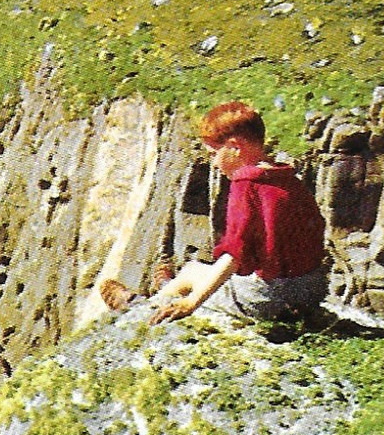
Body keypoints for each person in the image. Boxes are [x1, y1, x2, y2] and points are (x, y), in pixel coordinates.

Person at [101, 101, 328, 325]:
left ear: (234, 147)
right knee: (193, 270)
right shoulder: (286, 178)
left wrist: (191, 304)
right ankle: (165, 287)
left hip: (269, 299)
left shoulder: (246, 183)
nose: (215, 165)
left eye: (213, 154)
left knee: (190, 278)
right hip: (311, 291)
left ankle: (140, 306)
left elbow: (234, 255)